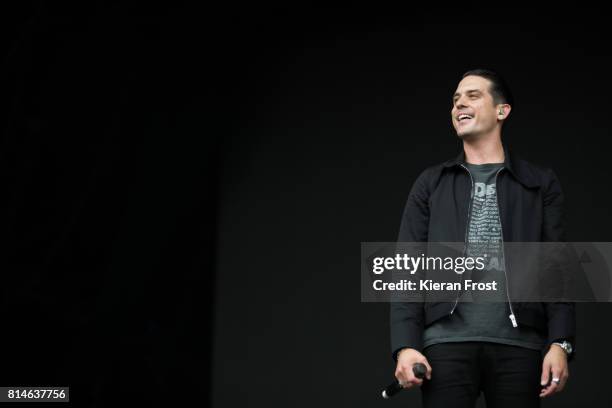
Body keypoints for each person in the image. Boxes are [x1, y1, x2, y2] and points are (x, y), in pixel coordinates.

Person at [390, 68, 575, 408]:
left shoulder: (539, 183)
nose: (460, 103)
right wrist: (405, 345)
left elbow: (558, 269)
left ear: (502, 111)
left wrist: (560, 342)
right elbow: (406, 268)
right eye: (456, 99)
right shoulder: (431, 183)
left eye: (473, 95)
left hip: (520, 347)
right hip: (445, 346)